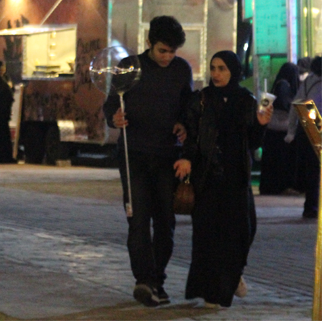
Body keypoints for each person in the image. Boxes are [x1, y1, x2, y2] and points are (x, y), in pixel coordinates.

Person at [102, 16, 193, 307]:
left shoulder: (181, 70)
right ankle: (144, 280)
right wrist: (114, 118)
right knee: (138, 219)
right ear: (149, 43)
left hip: (168, 156)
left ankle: (157, 280)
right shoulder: (130, 67)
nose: (167, 57)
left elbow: (188, 107)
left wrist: (183, 124)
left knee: (165, 222)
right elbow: (111, 103)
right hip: (134, 155)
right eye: (162, 50)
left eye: (172, 52)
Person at [174, 51, 270, 308]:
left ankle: (233, 275)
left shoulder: (246, 100)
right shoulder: (201, 100)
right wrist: (187, 159)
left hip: (237, 178)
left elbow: (252, 143)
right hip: (207, 176)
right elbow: (191, 134)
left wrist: (261, 124)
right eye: (213, 68)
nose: (216, 74)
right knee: (208, 237)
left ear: (234, 72)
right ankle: (212, 294)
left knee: (242, 232)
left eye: (222, 69)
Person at [286, 56, 322, 218]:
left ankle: (310, 206)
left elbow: (296, 105)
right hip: (318, 124)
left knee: (312, 169)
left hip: (307, 123)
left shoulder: (308, 81)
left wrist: (291, 131)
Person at [260, 62, 299, 195]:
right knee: (282, 161)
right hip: (281, 129)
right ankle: (280, 187)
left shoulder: (275, 86)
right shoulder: (284, 85)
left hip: (271, 129)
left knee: (271, 161)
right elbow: (284, 104)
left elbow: (264, 106)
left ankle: (269, 187)